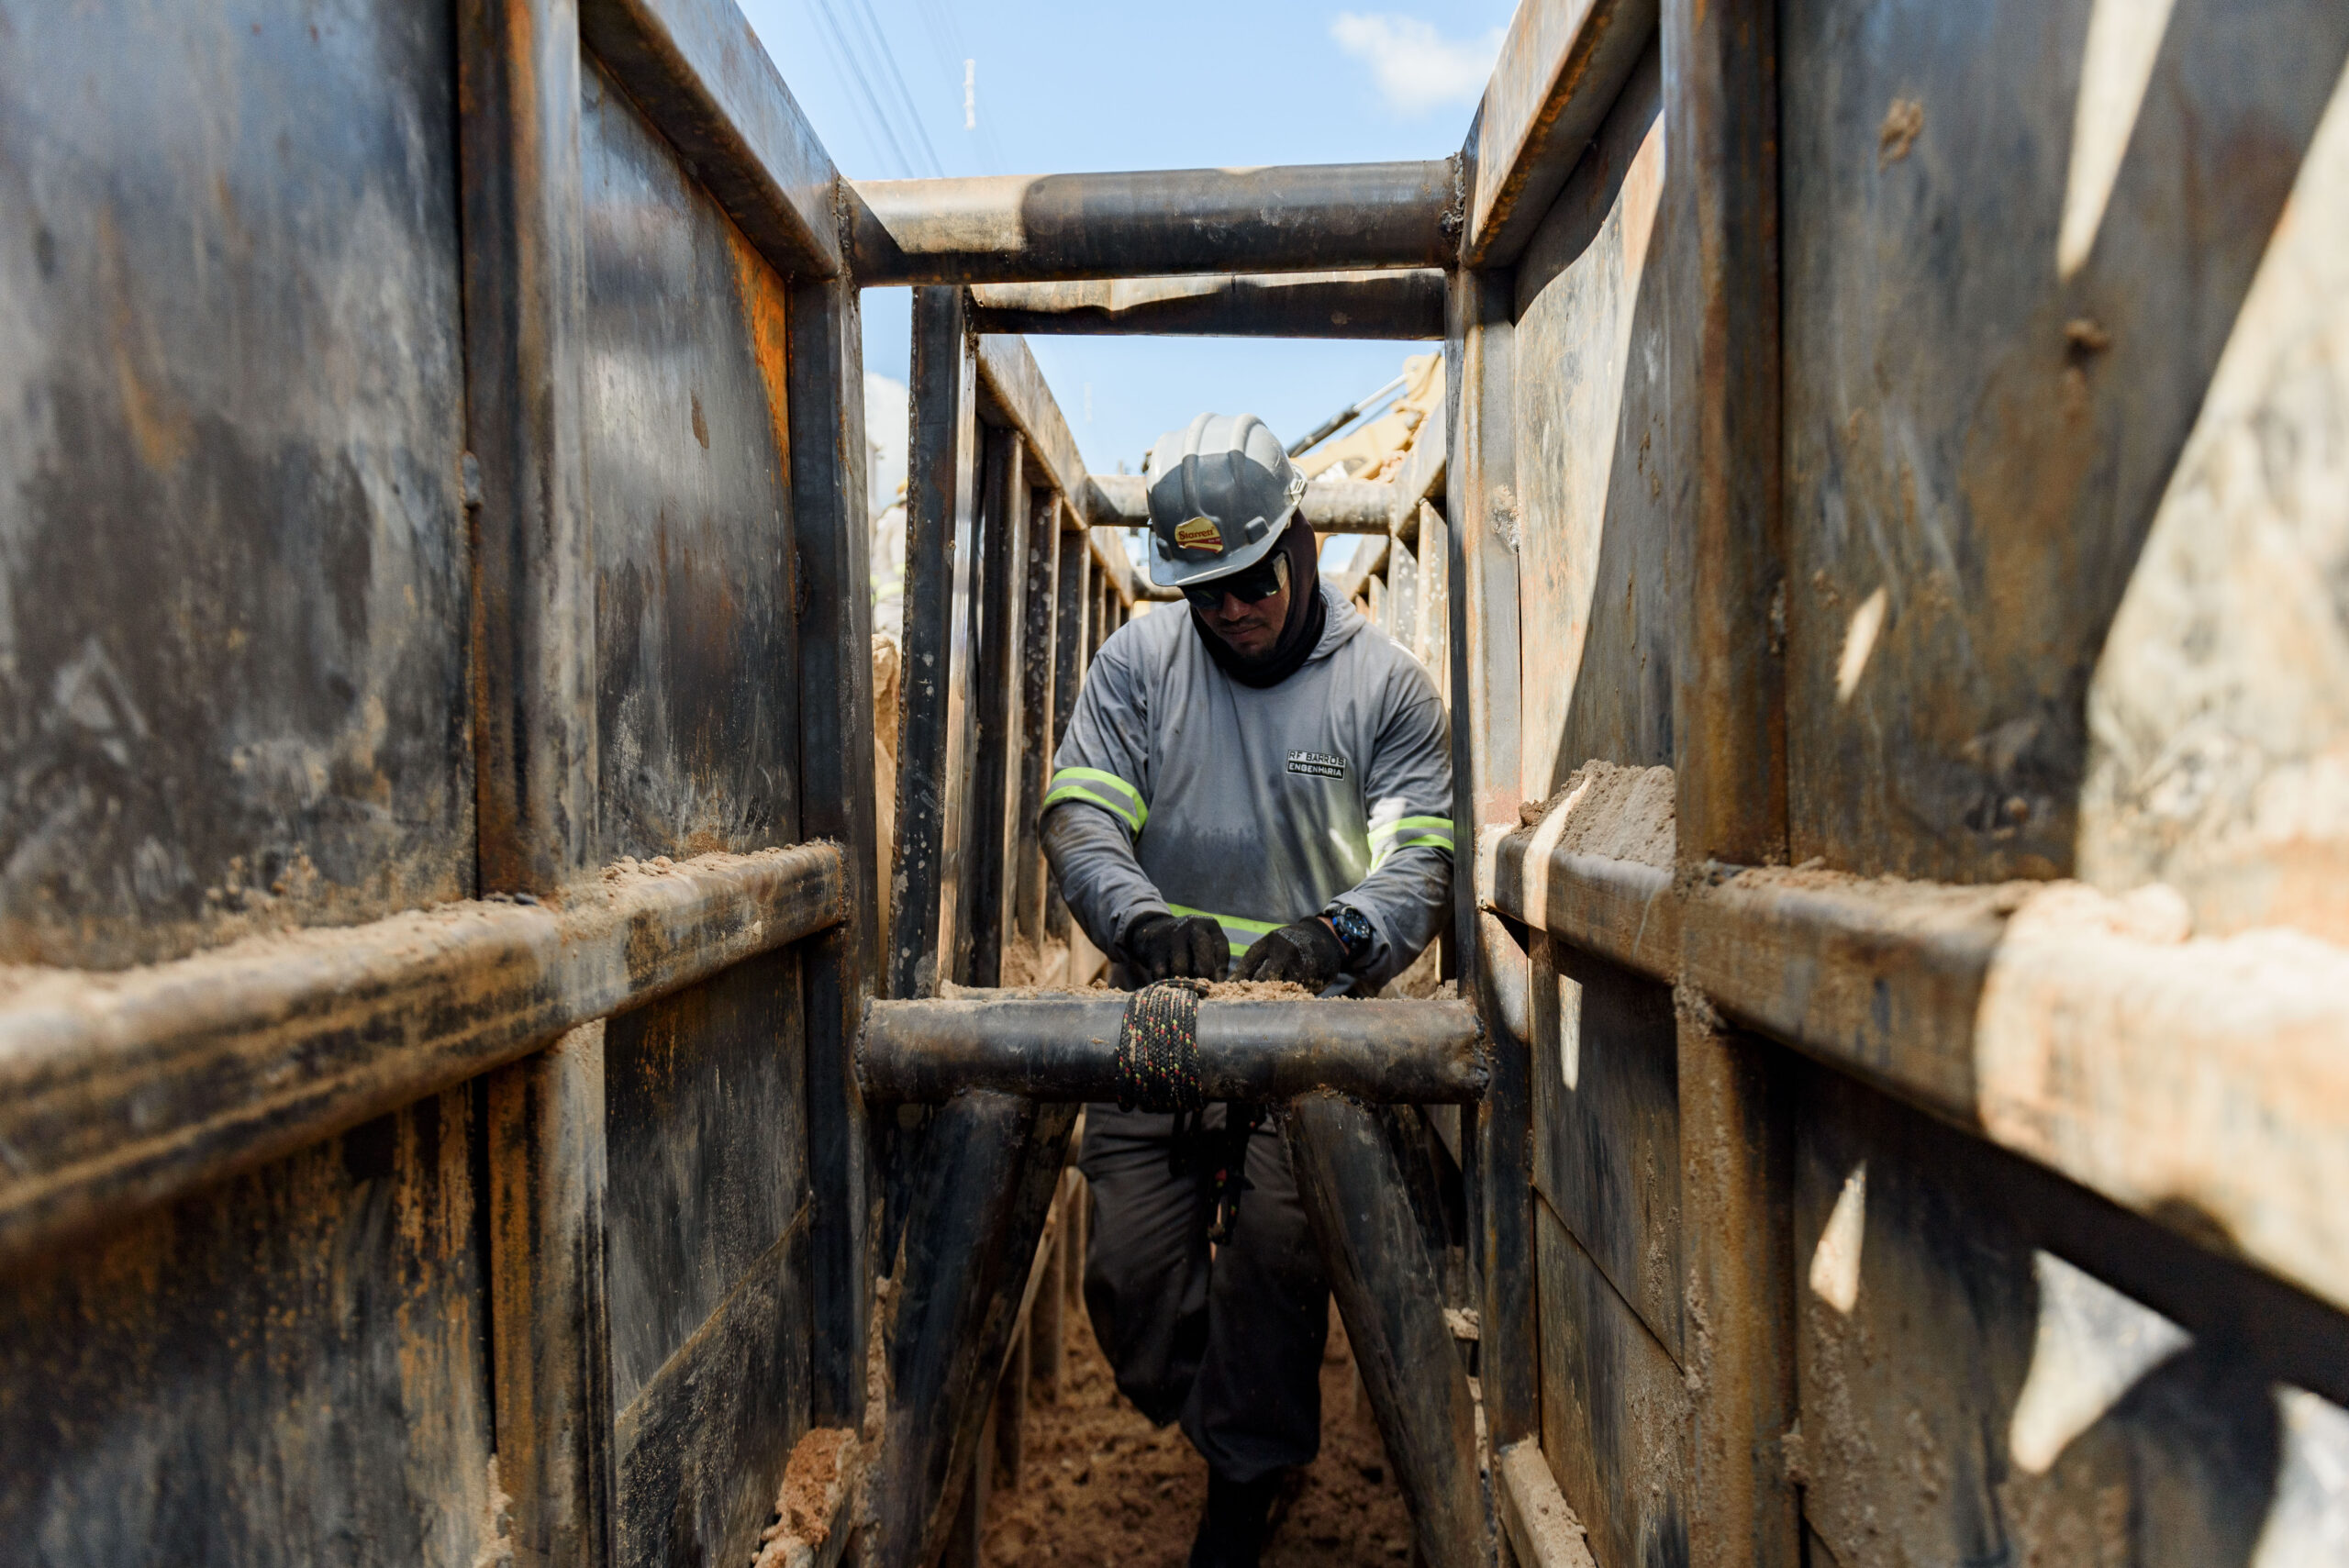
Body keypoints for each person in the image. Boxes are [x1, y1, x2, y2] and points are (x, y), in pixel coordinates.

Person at [1040, 412, 1454, 1566]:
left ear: (1302, 543)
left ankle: (1247, 1477)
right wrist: (1139, 918)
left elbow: (1419, 854)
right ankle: (1235, 1415)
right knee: (1127, 1279)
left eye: (1247, 580)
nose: (1229, 609)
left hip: (1312, 1026)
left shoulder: (1386, 689)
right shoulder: (1135, 665)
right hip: (1162, 1012)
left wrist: (1339, 932)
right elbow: (1079, 815)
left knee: (1280, 1247)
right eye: (1203, 591)